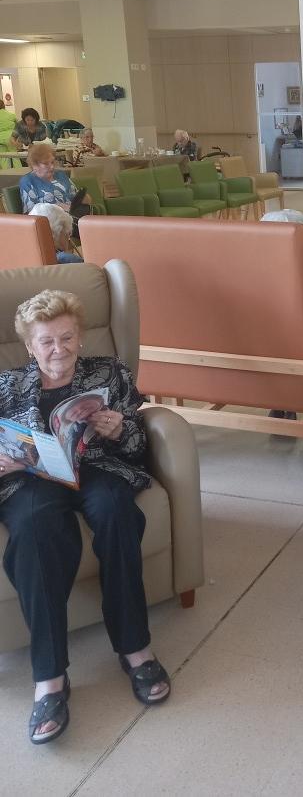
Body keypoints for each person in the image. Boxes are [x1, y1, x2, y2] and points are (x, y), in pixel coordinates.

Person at [0, 290, 171, 745]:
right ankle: (49, 678)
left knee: (117, 511)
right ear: (30, 346)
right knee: (34, 530)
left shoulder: (109, 372)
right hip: (32, 481)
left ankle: (135, 648)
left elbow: (138, 439)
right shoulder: (6, 386)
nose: (59, 349)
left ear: (80, 336)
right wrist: (7, 461)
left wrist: (119, 430)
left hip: (96, 467)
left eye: (67, 337)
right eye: (46, 341)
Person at [18, 142, 78, 213]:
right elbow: (31, 211)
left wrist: (83, 199)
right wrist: (57, 207)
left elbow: (75, 195)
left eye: (52, 162)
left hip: (73, 215)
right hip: (49, 218)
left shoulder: (61, 174)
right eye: (46, 163)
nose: (52, 166)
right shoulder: (28, 181)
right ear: (34, 165)